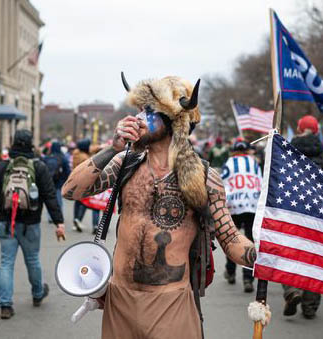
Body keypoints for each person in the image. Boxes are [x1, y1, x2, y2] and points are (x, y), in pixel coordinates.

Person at [62, 75, 257, 339]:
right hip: (120, 300)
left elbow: (230, 237)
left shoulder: (203, 177)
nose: (139, 118)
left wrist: (262, 254)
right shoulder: (125, 162)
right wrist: (113, 147)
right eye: (140, 110)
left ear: (175, 122)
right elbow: (72, 190)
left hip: (171, 303)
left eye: (149, 112)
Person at [0, 130, 65, 319]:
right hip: (31, 224)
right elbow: (50, 195)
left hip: (6, 222)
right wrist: (59, 221)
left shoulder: (0, 167)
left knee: (6, 263)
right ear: (31, 144)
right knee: (32, 259)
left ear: (13, 143)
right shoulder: (39, 167)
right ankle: (38, 293)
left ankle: (6, 305)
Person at [281, 115, 323, 320]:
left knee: (290, 253)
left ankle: (292, 289)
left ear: (299, 130)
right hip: (320, 216)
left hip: (291, 212)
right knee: (315, 259)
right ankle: (310, 306)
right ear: (317, 132)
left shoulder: (284, 153)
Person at [221, 140, 262, 293]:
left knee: (231, 240)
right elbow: (260, 181)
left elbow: (223, 182)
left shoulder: (229, 163)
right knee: (249, 242)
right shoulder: (254, 163)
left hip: (234, 206)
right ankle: (247, 278)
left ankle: (230, 272)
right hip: (252, 205)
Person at [71, 139, 100, 232]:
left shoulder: (76, 154)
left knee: (78, 202)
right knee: (86, 201)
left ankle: (76, 219)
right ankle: (82, 221)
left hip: (75, 180)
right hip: (84, 180)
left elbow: (90, 149)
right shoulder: (85, 157)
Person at [42, 141, 71, 215]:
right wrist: (65, 181)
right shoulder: (63, 158)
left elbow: (43, 170)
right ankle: (58, 215)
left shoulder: (47, 158)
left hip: (49, 182)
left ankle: (50, 216)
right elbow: (67, 171)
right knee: (58, 200)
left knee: (50, 200)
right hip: (59, 183)